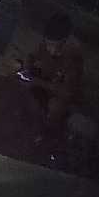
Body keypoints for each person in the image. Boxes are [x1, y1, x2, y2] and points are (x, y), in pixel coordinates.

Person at [18, 12, 83, 142]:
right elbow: (30, 56)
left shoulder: (73, 57)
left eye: (58, 46)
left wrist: (36, 82)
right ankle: (25, 119)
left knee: (55, 106)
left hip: (60, 94)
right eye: (49, 45)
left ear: (66, 41)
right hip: (45, 82)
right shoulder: (43, 45)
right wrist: (26, 69)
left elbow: (67, 92)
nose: (52, 50)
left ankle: (48, 133)